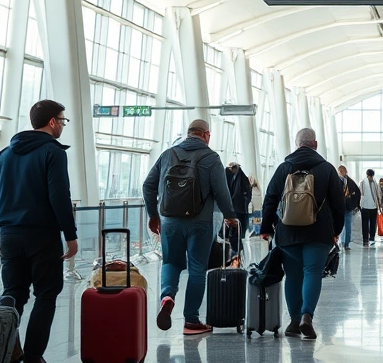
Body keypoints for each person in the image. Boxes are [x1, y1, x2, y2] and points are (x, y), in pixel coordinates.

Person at [0, 99, 79, 363]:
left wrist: (1, 231)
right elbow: (59, 196)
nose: (63, 125)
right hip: (42, 235)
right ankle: (34, 357)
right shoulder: (54, 152)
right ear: (52, 122)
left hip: (10, 235)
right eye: (62, 120)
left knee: (13, 293)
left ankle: (4, 347)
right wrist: (70, 236)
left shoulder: (4, 154)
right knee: (46, 294)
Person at [143, 119, 238, 335]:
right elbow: (222, 192)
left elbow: (148, 185)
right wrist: (230, 216)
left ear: (188, 133)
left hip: (169, 221)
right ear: (207, 135)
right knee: (197, 269)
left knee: (171, 263)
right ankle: (191, 321)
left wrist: (153, 215)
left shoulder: (168, 154)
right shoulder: (211, 158)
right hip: (200, 222)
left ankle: (167, 296)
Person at [260, 128, 345, 340]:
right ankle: (307, 315)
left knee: (293, 275)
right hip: (318, 231)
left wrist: (266, 227)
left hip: (288, 232)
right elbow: (338, 204)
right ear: (315, 144)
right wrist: (336, 230)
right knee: (313, 272)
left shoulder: (284, 168)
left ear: (297, 144)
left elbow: (270, 199)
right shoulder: (326, 169)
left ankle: (294, 320)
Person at [225, 162, 252, 254]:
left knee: (237, 233)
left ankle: (236, 252)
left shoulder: (239, 179)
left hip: (237, 210)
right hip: (239, 210)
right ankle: (237, 252)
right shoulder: (240, 178)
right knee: (239, 232)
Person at [337, 165, 360, 251]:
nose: (343, 173)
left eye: (344, 171)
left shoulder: (350, 181)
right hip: (340, 208)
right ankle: (341, 243)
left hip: (348, 207)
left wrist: (355, 204)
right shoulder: (336, 181)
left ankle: (346, 244)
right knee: (341, 226)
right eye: (341, 171)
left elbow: (357, 192)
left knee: (348, 227)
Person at [359, 169, 383, 246]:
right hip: (367, 207)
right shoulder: (367, 183)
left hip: (370, 207)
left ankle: (369, 238)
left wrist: (379, 204)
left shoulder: (369, 183)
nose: (371, 178)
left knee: (370, 224)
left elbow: (378, 194)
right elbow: (378, 195)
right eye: (370, 176)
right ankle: (367, 239)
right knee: (367, 224)